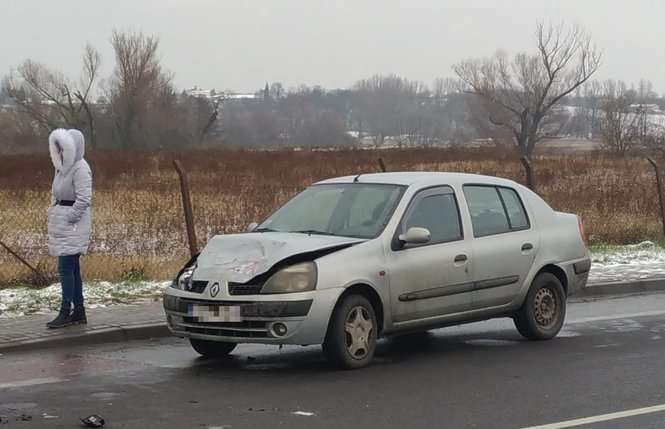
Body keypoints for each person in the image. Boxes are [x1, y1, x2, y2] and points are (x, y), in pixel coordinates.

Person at [46, 128, 92, 329]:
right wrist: (54, 210)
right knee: (72, 268)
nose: (61, 151)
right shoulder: (61, 167)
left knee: (65, 268)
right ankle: (79, 311)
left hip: (73, 225)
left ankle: (66, 311)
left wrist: (69, 218)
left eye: (63, 147)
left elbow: (84, 199)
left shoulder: (81, 168)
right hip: (62, 222)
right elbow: (56, 192)